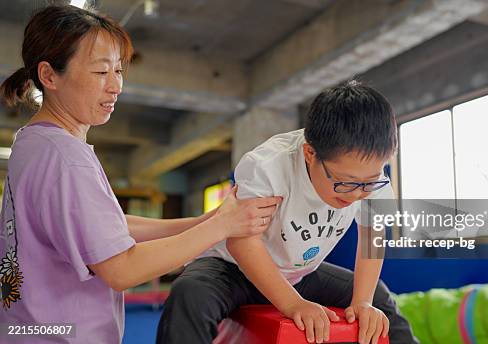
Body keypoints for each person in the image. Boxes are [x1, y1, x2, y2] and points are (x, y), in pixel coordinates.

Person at [0, 5, 281, 343]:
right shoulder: (65, 157)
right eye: (101, 72)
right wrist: (223, 226)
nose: (116, 85)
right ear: (48, 76)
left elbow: (110, 226)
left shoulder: (31, 142)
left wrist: (208, 220)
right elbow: (122, 268)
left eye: (118, 70)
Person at [157, 80, 419, 344]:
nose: (355, 194)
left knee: (379, 299)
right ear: (309, 153)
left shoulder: (371, 176)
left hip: (299, 274)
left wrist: (362, 302)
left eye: (368, 183)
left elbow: (372, 237)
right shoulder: (268, 166)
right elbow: (241, 241)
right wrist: (293, 304)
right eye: (344, 182)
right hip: (232, 267)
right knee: (189, 293)